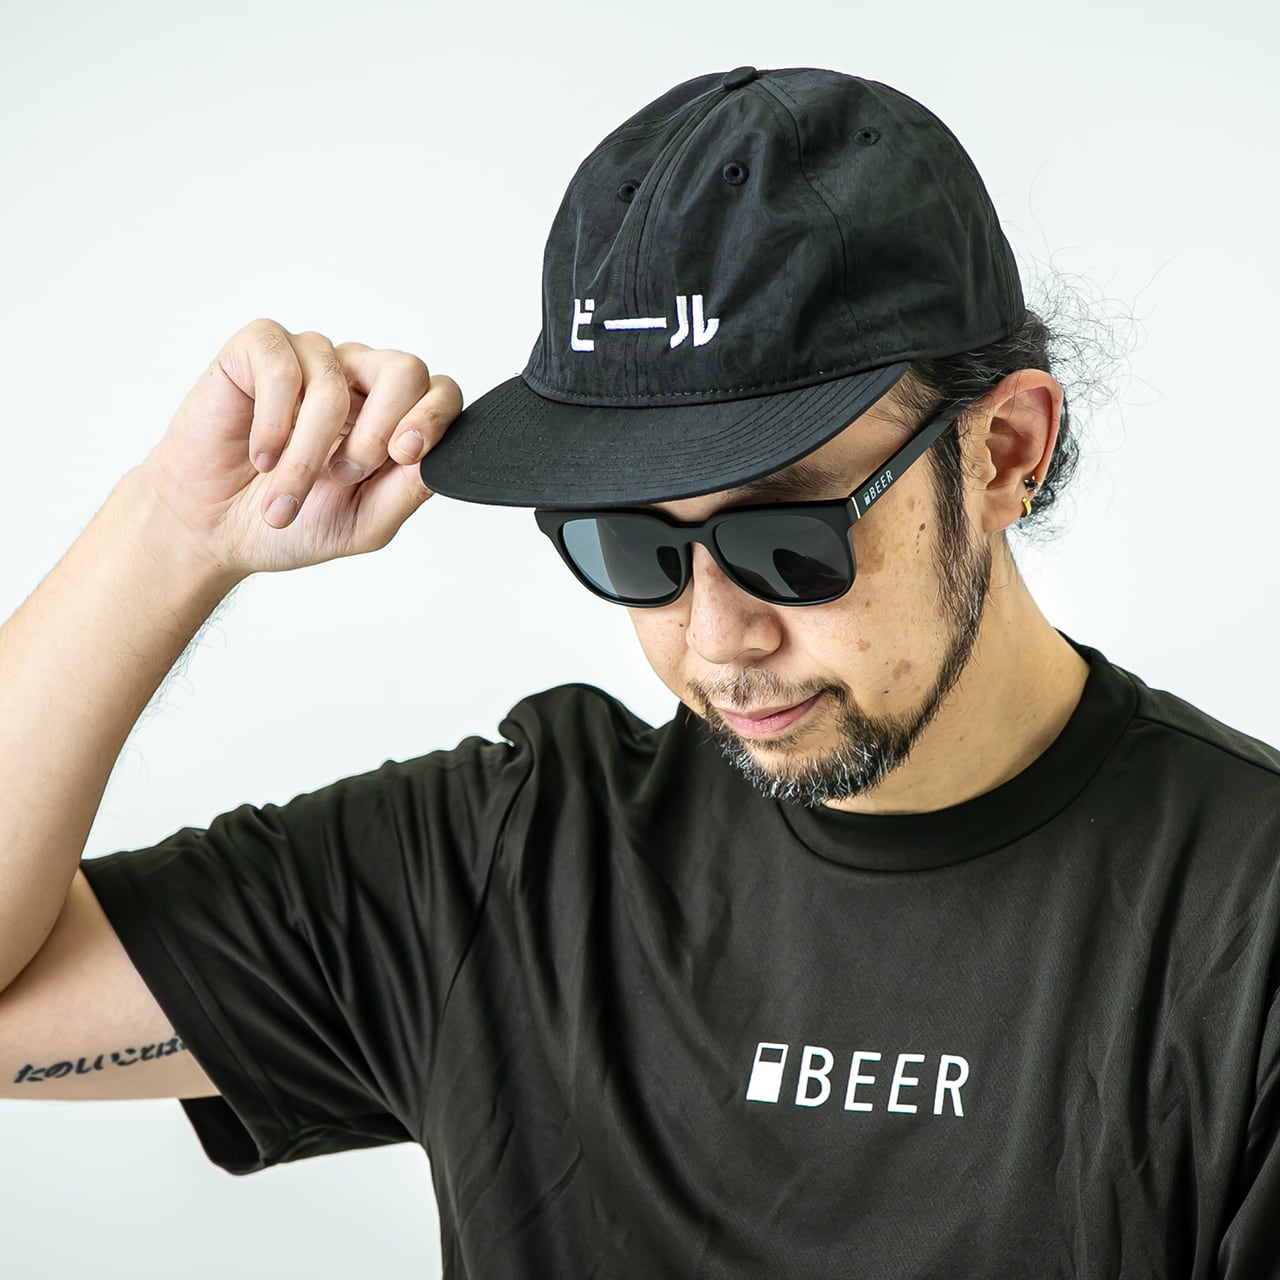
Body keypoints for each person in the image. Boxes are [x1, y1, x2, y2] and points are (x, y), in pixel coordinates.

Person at [1, 64, 1277, 1279]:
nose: (714, 636)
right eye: (630, 546)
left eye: (786, 539)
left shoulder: (1246, 923)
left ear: (1002, 451)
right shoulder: (509, 864)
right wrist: (168, 533)